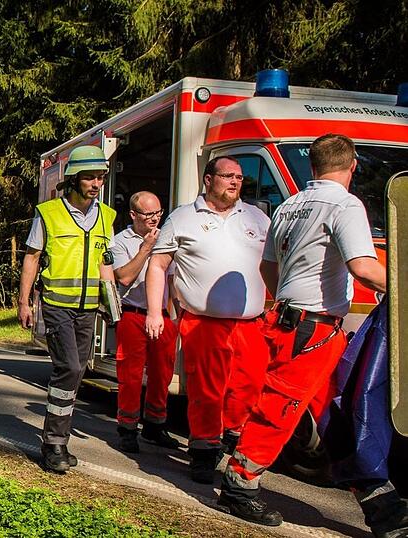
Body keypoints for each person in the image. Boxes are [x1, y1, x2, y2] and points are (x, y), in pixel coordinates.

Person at [218, 134, 389, 528]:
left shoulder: (290, 205)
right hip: (315, 328)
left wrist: (289, 299)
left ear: (311, 166)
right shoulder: (345, 204)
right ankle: (238, 485)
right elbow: (363, 267)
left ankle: (377, 495)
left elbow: (268, 268)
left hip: (293, 321)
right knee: (281, 409)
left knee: (338, 411)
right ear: (353, 166)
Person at [144, 156, 271, 484]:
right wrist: (155, 312)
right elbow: (158, 266)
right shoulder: (183, 218)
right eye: (228, 176)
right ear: (208, 179)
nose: (235, 182)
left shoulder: (257, 218)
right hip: (203, 321)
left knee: (252, 385)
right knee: (205, 390)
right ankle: (203, 450)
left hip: (251, 322)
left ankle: (226, 435)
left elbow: (274, 262)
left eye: (240, 178)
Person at [18, 144, 117, 474]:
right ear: (74, 179)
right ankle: (54, 444)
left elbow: (105, 262)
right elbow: (31, 257)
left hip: (88, 308)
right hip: (57, 305)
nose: (96, 184)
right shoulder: (49, 214)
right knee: (70, 369)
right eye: (90, 178)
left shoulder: (106, 216)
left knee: (75, 375)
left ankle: (56, 440)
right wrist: (24, 301)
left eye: (100, 178)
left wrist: (112, 302)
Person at [110, 191, 180, 452]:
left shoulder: (167, 237)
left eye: (158, 213)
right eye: (148, 214)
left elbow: (171, 280)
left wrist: (175, 318)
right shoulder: (120, 242)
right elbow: (124, 277)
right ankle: (127, 428)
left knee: (162, 374)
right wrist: (145, 250)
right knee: (130, 374)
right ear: (133, 215)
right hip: (133, 313)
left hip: (162, 316)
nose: (154, 219)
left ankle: (155, 425)